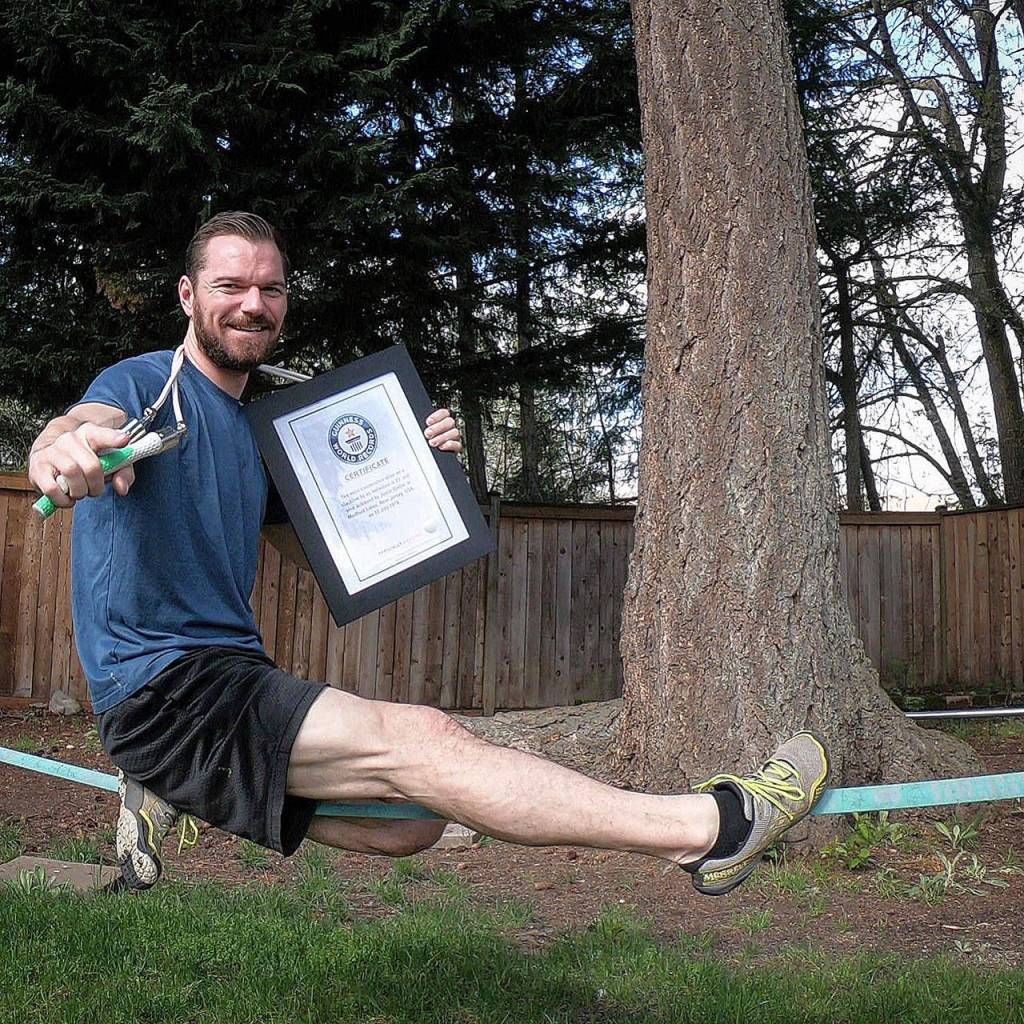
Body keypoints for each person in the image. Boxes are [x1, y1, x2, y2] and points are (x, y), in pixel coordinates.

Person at [27, 211, 830, 898]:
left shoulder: (258, 433)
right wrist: (62, 450)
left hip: (231, 673)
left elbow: (318, 557)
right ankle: (713, 827)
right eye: (230, 286)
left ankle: (177, 783)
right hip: (165, 686)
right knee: (427, 741)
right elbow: (78, 427)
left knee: (410, 822)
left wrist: (414, 468)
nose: (252, 304)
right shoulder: (147, 385)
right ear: (188, 295)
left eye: (270, 289)